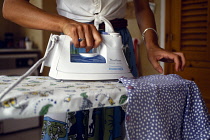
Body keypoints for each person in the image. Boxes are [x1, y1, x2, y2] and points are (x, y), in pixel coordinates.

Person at [2, 0, 186, 139]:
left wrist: (151, 44)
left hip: (117, 42)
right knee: (65, 117)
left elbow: (142, 6)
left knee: (117, 117)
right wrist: (64, 24)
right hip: (72, 38)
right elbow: (12, 7)